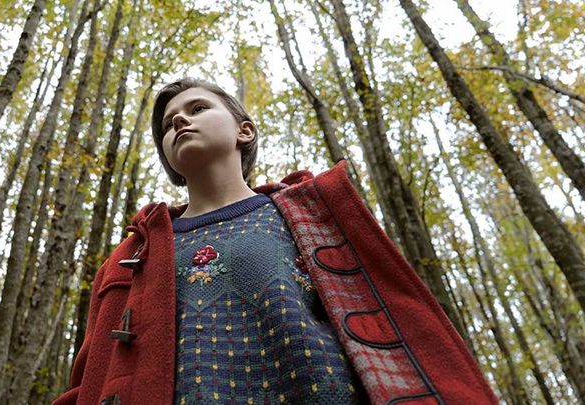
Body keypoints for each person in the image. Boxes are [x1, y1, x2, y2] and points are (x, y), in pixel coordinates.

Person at [52, 78, 497, 405]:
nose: (180, 120)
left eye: (199, 107)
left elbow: (389, 327)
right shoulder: (131, 256)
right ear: (169, 157)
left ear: (244, 131)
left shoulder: (313, 215)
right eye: (169, 124)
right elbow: (89, 375)